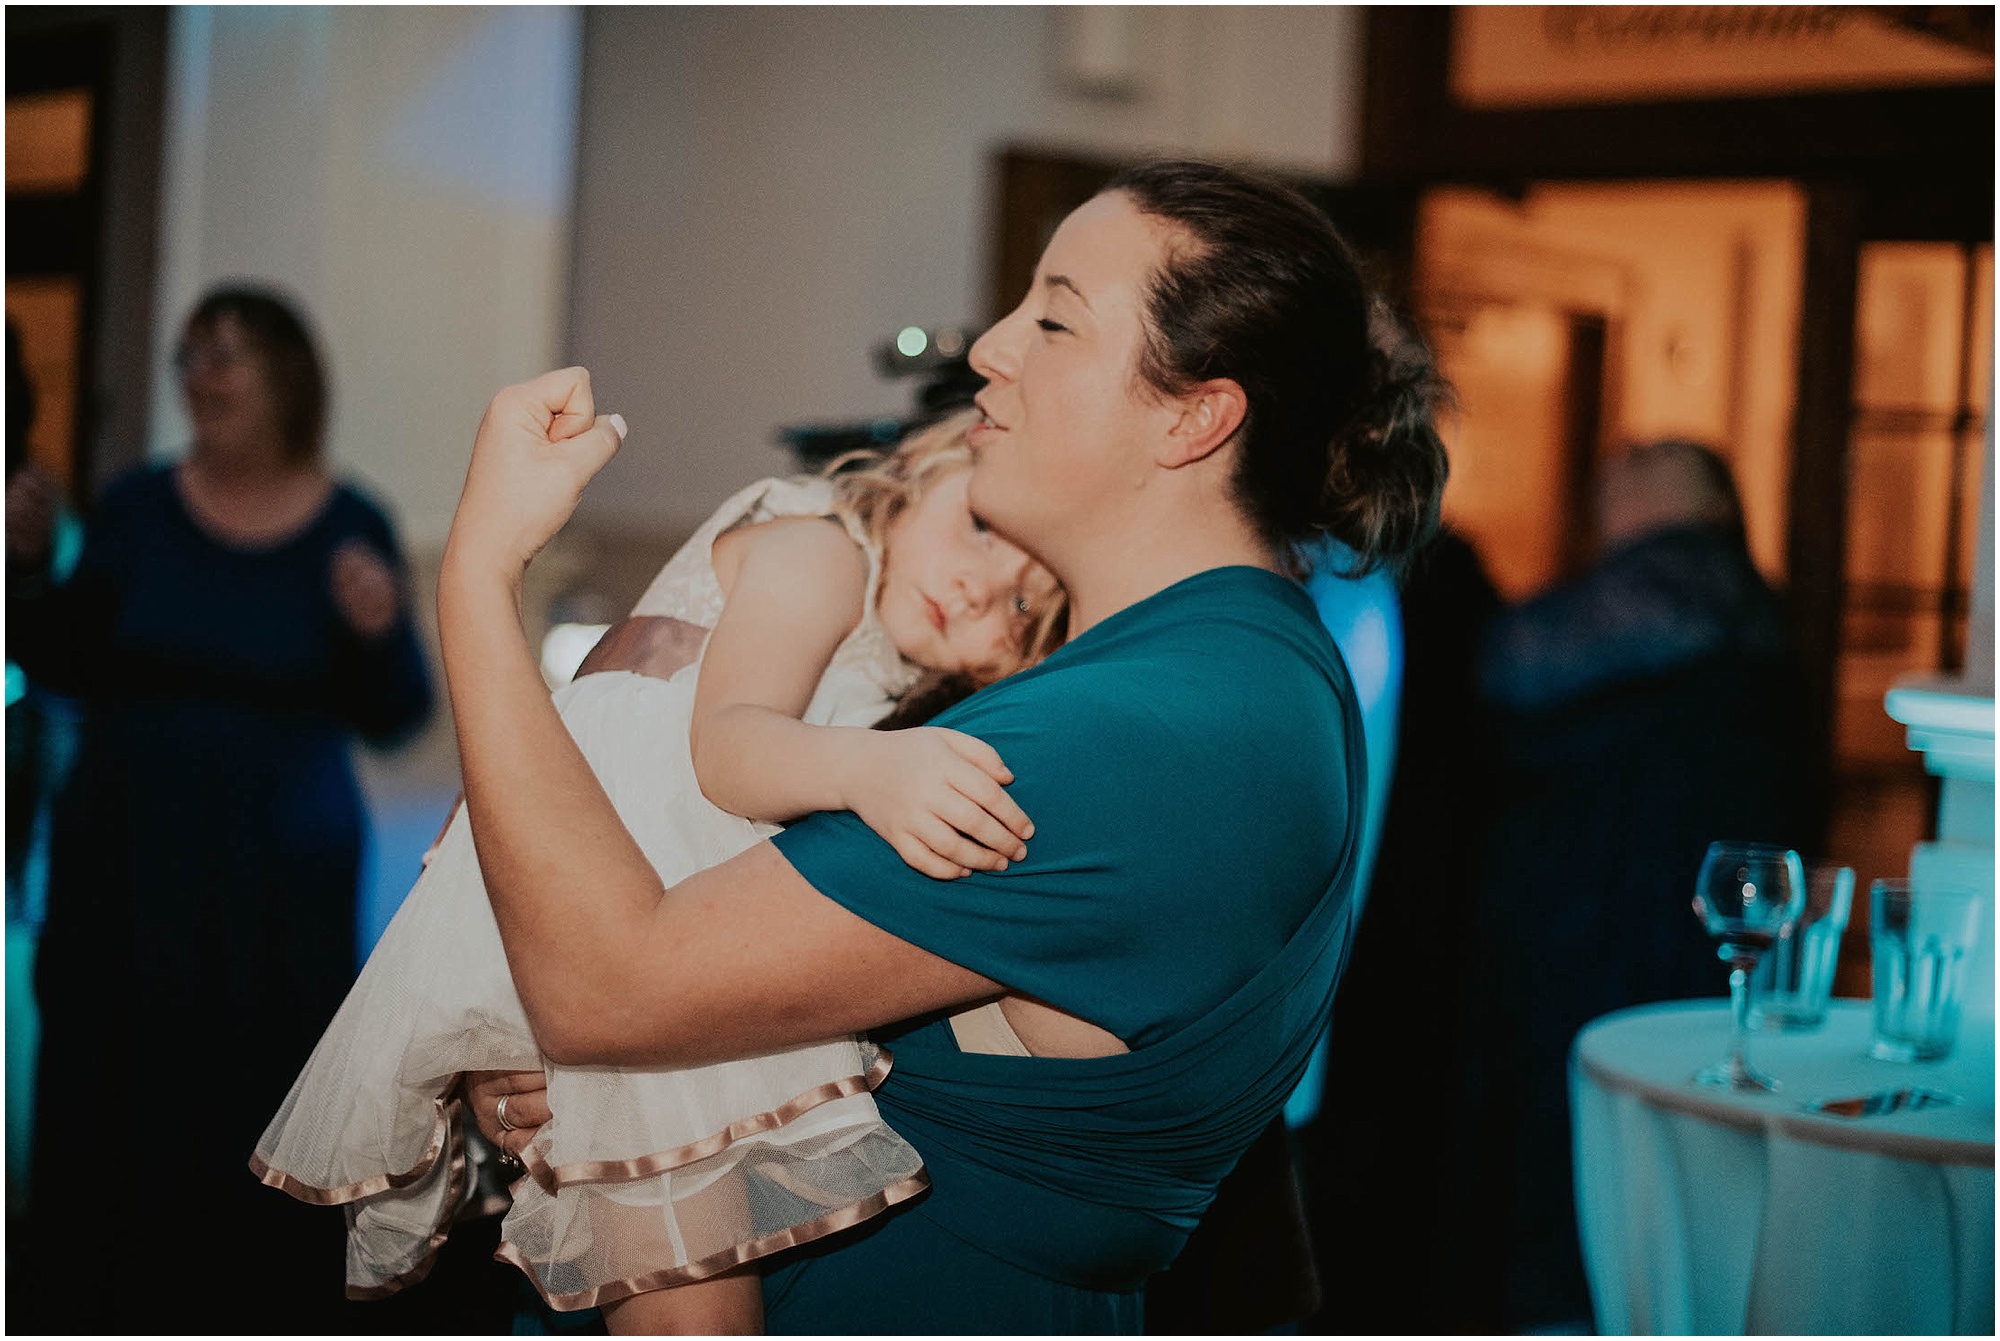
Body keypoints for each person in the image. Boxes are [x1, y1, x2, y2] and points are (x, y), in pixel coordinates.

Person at [447, 158, 1449, 1334]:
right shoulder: (1218, 673)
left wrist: (477, 572)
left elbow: (605, 985)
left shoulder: (1148, 733)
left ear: (1193, 415)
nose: (989, 348)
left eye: (1056, 318)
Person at [254, 409, 1066, 1330]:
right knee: (688, 1276)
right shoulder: (823, 550)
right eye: (985, 531)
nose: (978, 588)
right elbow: (729, 746)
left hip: (623, 884)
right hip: (636, 868)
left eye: (1025, 609)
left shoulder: (877, 634)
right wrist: (874, 768)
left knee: (669, 1259)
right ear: (928, 466)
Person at [7, 285, 433, 1332]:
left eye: (226, 357)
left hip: (273, 891)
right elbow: (57, 659)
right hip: (126, 866)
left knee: (254, 1101)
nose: (199, 378)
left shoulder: (351, 521)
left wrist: (377, 633)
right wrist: (23, 564)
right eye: (188, 358)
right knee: (109, 1105)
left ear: (286, 379)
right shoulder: (138, 506)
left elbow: (397, 715)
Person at [1461, 438, 1818, 1330]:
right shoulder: (1758, 612)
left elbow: (1503, 665)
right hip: (1702, 959)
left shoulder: (1666, 592)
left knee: (1579, 1191)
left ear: (1640, 505)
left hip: (1603, 952)